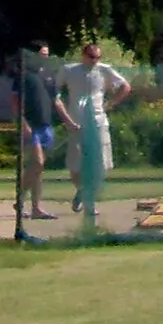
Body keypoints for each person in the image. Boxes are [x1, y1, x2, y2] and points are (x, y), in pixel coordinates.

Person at [57, 39, 132, 222]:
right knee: (75, 163)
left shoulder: (104, 70)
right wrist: (66, 119)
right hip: (76, 121)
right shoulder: (69, 70)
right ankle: (81, 191)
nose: (95, 61)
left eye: (98, 57)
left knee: (100, 163)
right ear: (84, 56)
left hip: (98, 121)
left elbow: (125, 86)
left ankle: (90, 203)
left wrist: (111, 104)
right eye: (91, 57)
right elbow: (55, 95)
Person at [15, 44, 58, 220]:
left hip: (46, 125)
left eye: (47, 54)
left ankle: (36, 208)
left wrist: (69, 122)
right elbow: (14, 101)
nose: (45, 57)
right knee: (37, 163)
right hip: (31, 126)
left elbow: (56, 100)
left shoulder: (48, 75)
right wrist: (23, 123)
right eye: (42, 54)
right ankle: (19, 199)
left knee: (38, 169)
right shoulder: (24, 76)